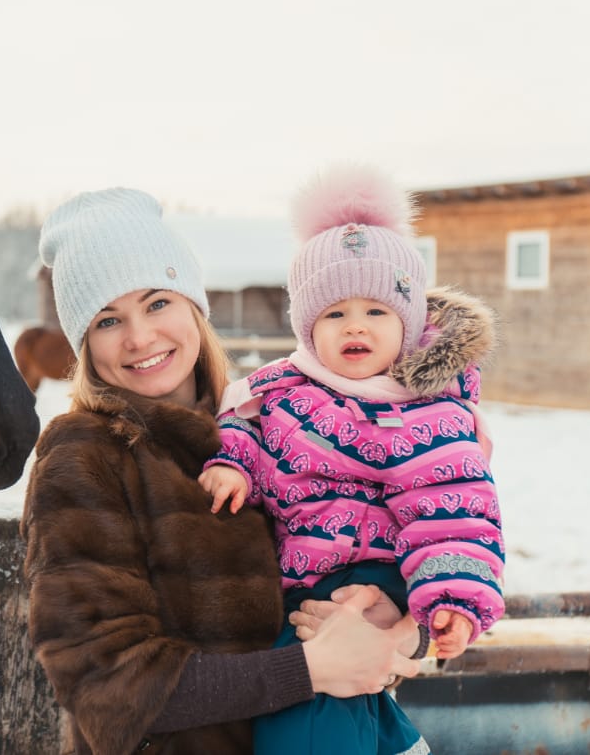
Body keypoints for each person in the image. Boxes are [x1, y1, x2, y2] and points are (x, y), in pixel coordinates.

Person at [21, 187, 426, 755]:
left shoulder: (277, 421)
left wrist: (399, 625)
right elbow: (104, 682)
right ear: (85, 344)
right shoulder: (85, 455)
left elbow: (382, 542)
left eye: (158, 302)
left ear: (194, 305)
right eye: (108, 320)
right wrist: (307, 670)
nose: (140, 338)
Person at [199, 166, 504, 753]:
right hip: (300, 575)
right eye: (334, 313)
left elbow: (454, 510)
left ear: (409, 323)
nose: (355, 325)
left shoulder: (426, 413)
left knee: (307, 706)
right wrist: (230, 464)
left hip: (375, 570)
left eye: (376, 312)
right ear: (308, 327)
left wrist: (454, 599)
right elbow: (243, 429)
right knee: (335, 689)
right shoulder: (280, 391)